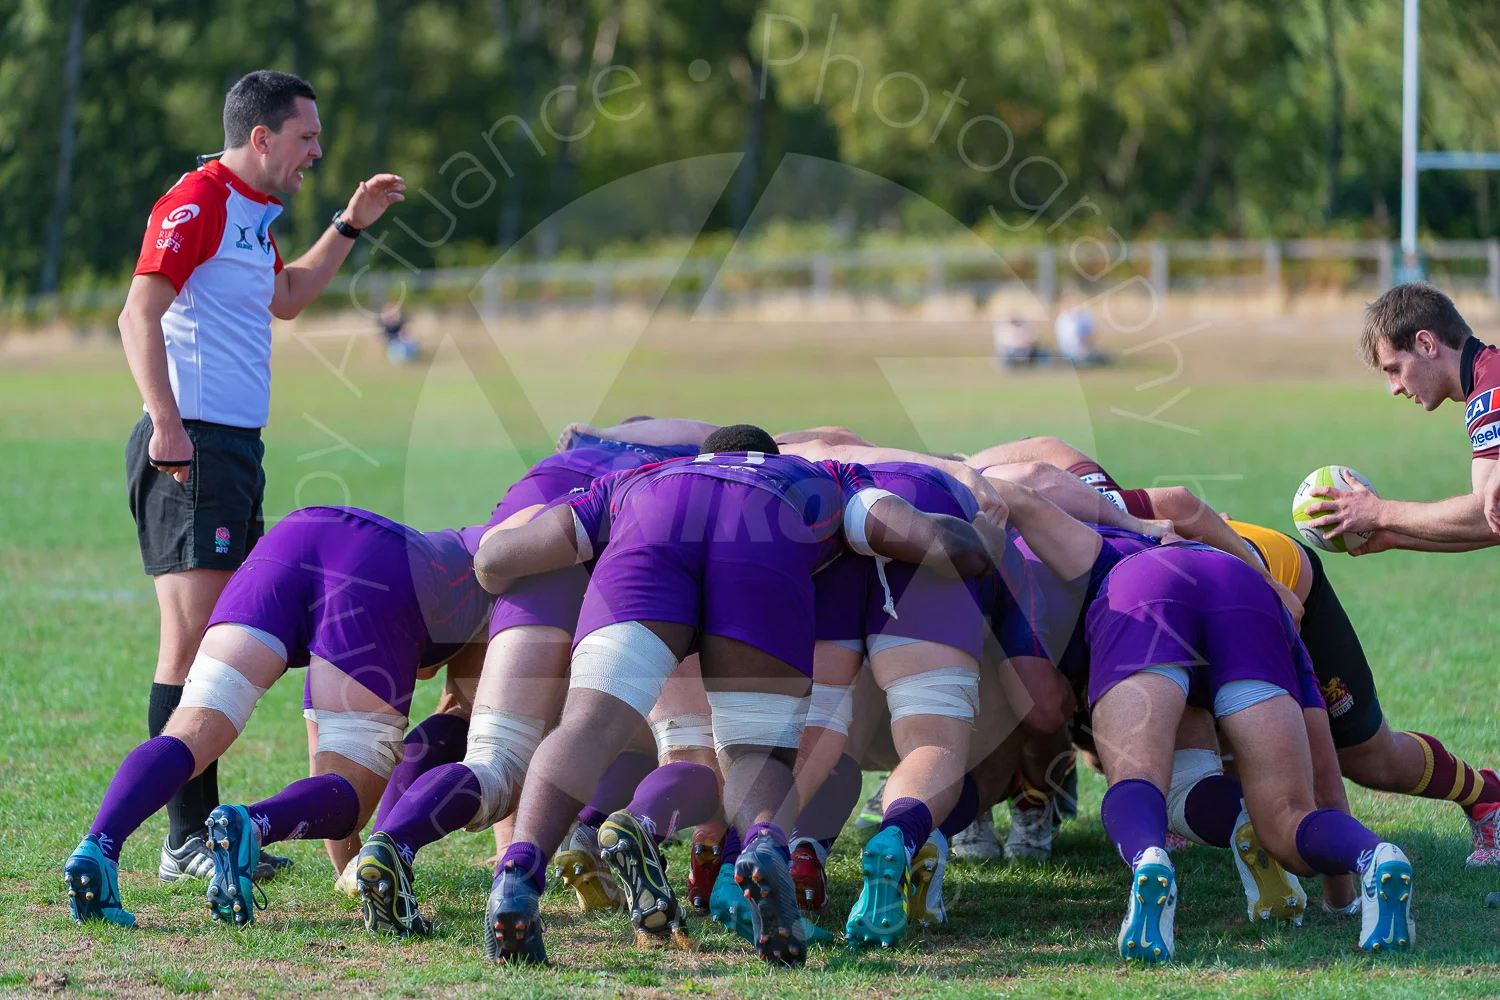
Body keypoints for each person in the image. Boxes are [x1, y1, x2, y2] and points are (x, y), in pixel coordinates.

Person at [472, 425, 998, 966]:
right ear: (769, 455)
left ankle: (516, 877)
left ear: (703, 457)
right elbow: (925, 540)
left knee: (587, 725)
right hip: (762, 552)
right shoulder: (825, 476)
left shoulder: (638, 477)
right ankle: (765, 845)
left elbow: (497, 561)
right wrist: (973, 542)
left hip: (648, 544)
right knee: (758, 751)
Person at [119, 68, 404, 883]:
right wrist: (169, 425)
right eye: (307, 136)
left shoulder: (253, 215)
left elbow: (286, 298)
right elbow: (137, 313)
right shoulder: (198, 200)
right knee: (194, 642)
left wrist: (352, 221)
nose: (316, 150)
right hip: (194, 447)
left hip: (235, 450)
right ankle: (186, 840)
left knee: (218, 640)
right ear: (262, 137)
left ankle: (196, 831)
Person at [972, 437, 1500, 866]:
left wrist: (1270, 585)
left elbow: (1170, 503)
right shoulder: (1019, 537)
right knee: (1124, 729)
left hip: (1269, 581)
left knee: (1365, 759)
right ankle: (1259, 828)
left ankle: (1484, 794)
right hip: (1174, 597)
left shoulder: (1071, 502)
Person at [63, 506, 491, 928]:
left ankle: (97, 846)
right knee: (352, 793)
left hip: (299, 534)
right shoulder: (512, 588)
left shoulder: (478, 551)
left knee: (194, 728)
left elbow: (318, 742)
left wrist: (349, 869)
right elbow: (489, 731)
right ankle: (251, 825)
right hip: (386, 571)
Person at [1304, 282, 1498, 554]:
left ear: (1426, 344)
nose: (1394, 387)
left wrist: (1380, 512)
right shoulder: (1488, 377)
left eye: (1394, 369)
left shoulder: (1491, 395)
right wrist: (1397, 536)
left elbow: (1487, 517)